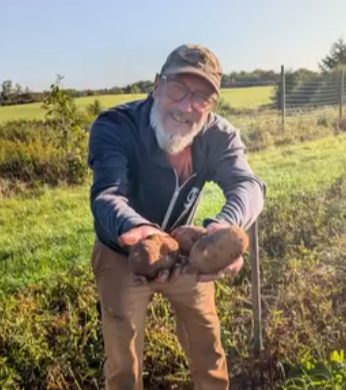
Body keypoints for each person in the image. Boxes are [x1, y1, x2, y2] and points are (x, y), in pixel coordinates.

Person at [88, 44, 266, 390]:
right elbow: (107, 194)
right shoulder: (116, 126)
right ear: (157, 85)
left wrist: (224, 226)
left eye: (202, 98)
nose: (187, 107)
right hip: (125, 253)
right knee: (123, 361)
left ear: (211, 105)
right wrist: (138, 229)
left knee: (207, 346)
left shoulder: (218, 135)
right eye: (179, 89)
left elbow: (249, 185)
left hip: (187, 255)